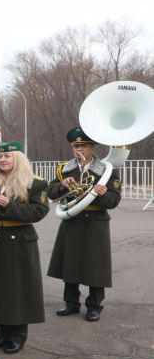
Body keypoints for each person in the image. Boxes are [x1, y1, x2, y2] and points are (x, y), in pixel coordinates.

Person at [0, 142, 49, 353]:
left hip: (19, 241)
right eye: (0, 157)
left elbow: (38, 212)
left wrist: (11, 205)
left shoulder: (35, 183)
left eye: (8, 156)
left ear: (18, 159)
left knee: (17, 290)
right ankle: (2, 332)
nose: (3, 160)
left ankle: (17, 335)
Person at [47, 127, 122, 322]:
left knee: (95, 266)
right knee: (70, 263)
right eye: (75, 146)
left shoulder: (107, 169)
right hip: (72, 220)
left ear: (92, 148)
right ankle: (70, 303)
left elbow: (114, 201)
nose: (78, 149)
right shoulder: (65, 168)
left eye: (83, 146)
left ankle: (94, 305)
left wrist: (103, 193)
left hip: (96, 222)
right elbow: (51, 191)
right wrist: (62, 186)